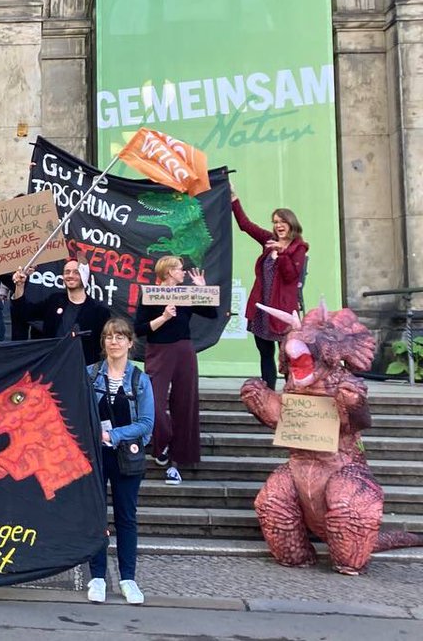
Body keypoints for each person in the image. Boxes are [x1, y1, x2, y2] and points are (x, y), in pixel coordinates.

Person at [86, 317, 153, 606]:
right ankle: (97, 577)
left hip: (127, 455)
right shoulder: (90, 375)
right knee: (96, 517)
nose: (113, 341)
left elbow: (147, 422)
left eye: (119, 337)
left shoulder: (139, 379)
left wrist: (112, 435)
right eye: (108, 336)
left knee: (126, 517)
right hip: (96, 456)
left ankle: (128, 578)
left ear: (129, 343)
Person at [134, 256, 217, 486]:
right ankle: (164, 442)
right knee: (153, 402)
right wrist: (163, 317)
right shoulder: (151, 294)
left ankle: (175, 464)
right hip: (159, 351)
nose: (184, 273)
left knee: (184, 403)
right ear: (169, 272)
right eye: (180, 270)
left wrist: (202, 290)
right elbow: (139, 328)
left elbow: (211, 314)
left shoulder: (185, 294)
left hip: (184, 350)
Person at [231, 189, 308, 390]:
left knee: (288, 357)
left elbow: (291, 276)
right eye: (275, 222)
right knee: (265, 354)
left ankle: (293, 396)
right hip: (262, 310)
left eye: (282, 221)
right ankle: (268, 396)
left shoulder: (298, 248)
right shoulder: (269, 241)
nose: (278, 225)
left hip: (283, 313)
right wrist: (234, 198)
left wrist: (282, 255)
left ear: (291, 223)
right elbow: (246, 226)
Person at [9, 258, 111, 365]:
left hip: (81, 370)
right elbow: (23, 312)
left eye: (76, 272)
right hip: (51, 367)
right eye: (67, 272)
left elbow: (103, 347)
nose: (70, 275)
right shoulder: (54, 301)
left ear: (85, 276)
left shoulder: (99, 311)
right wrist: (19, 286)